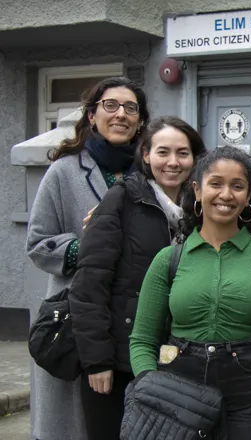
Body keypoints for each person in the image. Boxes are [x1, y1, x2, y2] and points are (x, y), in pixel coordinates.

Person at [129, 146, 251, 440]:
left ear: (248, 196)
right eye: (215, 183)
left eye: (237, 186)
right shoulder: (167, 261)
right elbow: (142, 339)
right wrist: (151, 389)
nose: (226, 194)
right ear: (197, 190)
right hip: (178, 395)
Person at [26, 76, 150, 440]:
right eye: (110, 106)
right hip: (77, 312)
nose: (120, 114)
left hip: (133, 314)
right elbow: (38, 243)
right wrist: (90, 245)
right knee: (74, 424)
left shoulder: (149, 171)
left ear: (141, 120)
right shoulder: (64, 171)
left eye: (130, 108)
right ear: (92, 116)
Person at [68, 116, 206, 440]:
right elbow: (89, 284)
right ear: (146, 155)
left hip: (182, 360)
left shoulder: (203, 208)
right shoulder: (122, 199)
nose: (173, 162)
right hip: (119, 362)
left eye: (183, 153)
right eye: (163, 152)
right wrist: (97, 360)